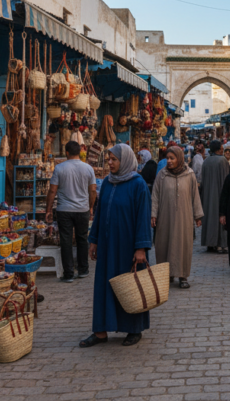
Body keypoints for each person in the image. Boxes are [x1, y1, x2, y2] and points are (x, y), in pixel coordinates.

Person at [82, 144, 152, 348]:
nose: (110, 163)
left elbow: (143, 218)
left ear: (126, 161)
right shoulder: (108, 183)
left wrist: (141, 248)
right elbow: (100, 213)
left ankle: (133, 328)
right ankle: (100, 331)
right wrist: (93, 240)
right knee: (104, 285)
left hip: (128, 247)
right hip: (107, 245)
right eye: (108, 159)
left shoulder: (138, 185)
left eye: (114, 159)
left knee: (131, 286)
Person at [151, 146, 204, 289]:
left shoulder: (189, 174)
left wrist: (198, 215)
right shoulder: (162, 175)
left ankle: (182, 276)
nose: (168, 161)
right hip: (165, 217)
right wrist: (153, 214)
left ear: (179, 159)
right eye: (167, 158)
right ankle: (166, 274)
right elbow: (155, 196)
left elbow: (195, 196)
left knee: (182, 245)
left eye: (172, 158)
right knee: (164, 245)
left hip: (184, 217)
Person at [45, 141, 97, 282]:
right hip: (82, 209)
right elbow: (93, 191)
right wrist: (91, 207)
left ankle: (68, 274)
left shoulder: (60, 168)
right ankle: (83, 270)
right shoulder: (88, 169)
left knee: (66, 241)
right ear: (80, 152)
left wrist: (48, 209)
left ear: (67, 152)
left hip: (64, 210)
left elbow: (52, 190)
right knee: (81, 239)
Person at [200, 140, 230, 253]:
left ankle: (210, 243)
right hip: (219, 194)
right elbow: (226, 180)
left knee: (209, 217)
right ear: (219, 149)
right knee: (220, 217)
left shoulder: (206, 161)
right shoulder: (222, 160)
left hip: (207, 195)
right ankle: (220, 243)